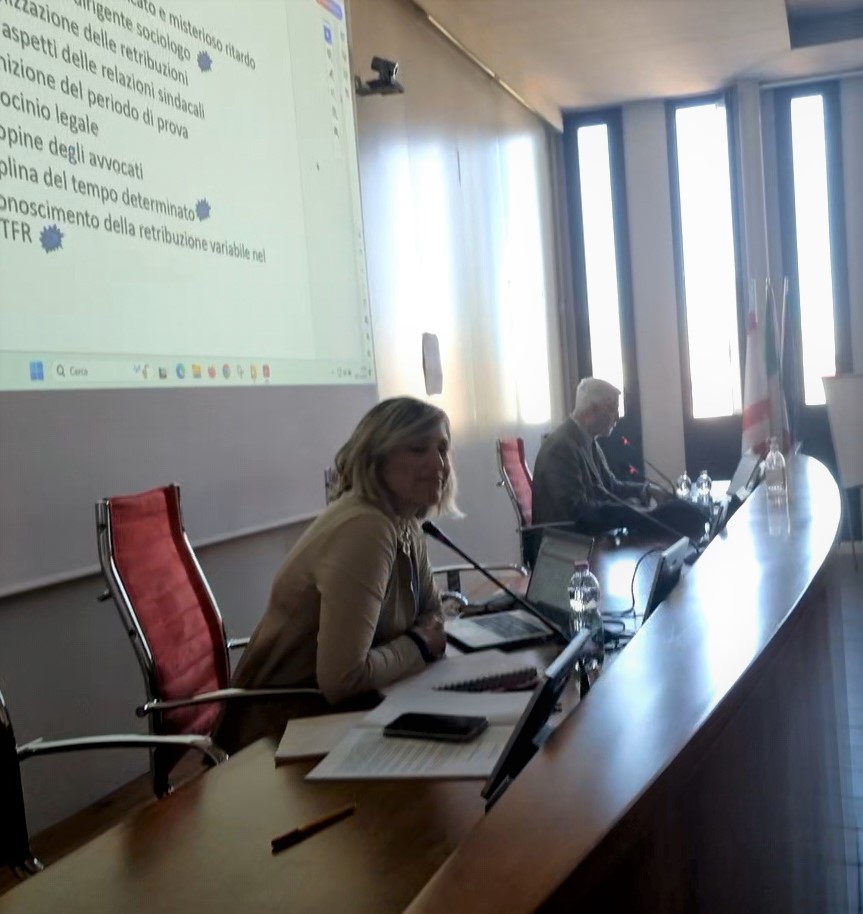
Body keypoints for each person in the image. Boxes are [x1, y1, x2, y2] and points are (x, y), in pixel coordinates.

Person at [215, 396, 456, 752]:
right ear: (376, 457)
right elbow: (344, 679)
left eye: (442, 449)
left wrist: (419, 640)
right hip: (278, 736)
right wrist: (419, 645)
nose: (438, 464)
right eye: (418, 448)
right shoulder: (366, 526)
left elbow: (432, 616)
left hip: (349, 710)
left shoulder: (404, 520)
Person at [532, 377, 707, 540]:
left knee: (672, 520)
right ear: (590, 411)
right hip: (565, 546)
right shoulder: (560, 448)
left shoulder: (588, 440)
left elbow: (610, 487)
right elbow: (578, 511)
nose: (616, 417)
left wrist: (647, 490)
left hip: (589, 538)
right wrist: (633, 513)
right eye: (611, 409)